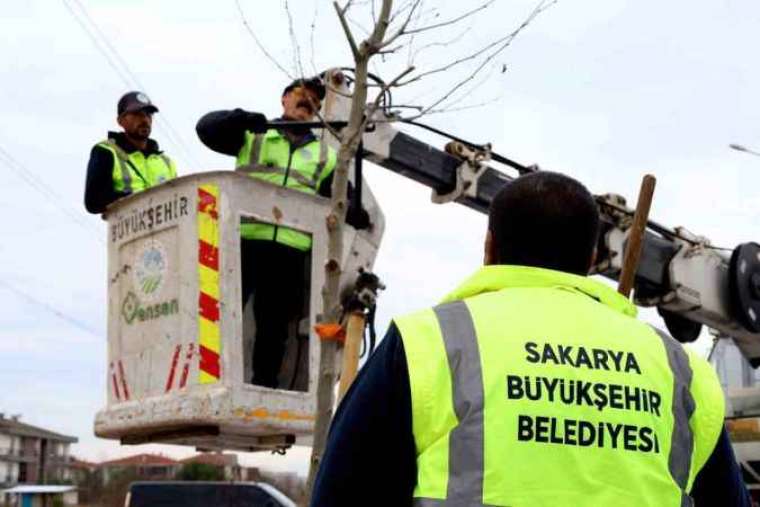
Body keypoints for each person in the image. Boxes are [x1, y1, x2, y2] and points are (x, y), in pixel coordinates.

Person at [311, 171, 750, 506]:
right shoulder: (681, 369)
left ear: (489, 247)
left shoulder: (427, 344)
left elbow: (341, 495)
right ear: (594, 257)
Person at [196, 76, 369, 388]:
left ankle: (263, 386)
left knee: (273, 329)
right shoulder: (254, 137)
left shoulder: (326, 156)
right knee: (221, 315)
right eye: (302, 94)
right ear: (284, 98)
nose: (309, 102)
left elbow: (347, 202)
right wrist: (241, 117)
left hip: (289, 253)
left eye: (316, 101)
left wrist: (355, 209)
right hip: (244, 243)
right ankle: (211, 381)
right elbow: (206, 128)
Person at [84, 91, 177, 214]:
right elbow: (94, 202)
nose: (144, 119)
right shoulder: (106, 152)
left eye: (148, 114)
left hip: (167, 231)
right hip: (128, 230)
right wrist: (139, 199)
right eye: (137, 114)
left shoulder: (166, 161)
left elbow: (178, 198)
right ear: (120, 121)